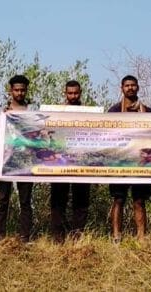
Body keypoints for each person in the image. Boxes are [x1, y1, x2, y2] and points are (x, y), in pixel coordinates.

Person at [107, 75, 151, 243]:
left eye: (133, 85)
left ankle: (141, 237)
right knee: (118, 199)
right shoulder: (113, 111)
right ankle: (116, 236)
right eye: (127, 85)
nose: (130, 88)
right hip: (120, 162)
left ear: (138, 88)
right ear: (122, 88)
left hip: (141, 163)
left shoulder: (147, 112)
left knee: (139, 201)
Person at [49, 80, 92, 242]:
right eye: (70, 93)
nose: (73, 96)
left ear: (80, 93)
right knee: (58, 200)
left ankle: (77, 236)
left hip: (82, 163)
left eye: (76, 93)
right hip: (60, 163)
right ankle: (58, 237)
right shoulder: (56, 112)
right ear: (65, 93)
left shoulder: (90, 113)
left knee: (81, 201)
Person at [0, 75, 35, 242]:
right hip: (5, 161)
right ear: (10, 91)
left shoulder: (33, 112)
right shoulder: (2, 113)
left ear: (26, 91)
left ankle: (24, 236)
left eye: (22, 90)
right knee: (3, 200)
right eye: (16, 90)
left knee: (25, 201)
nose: (19, 93)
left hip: (26, 161)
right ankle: (0, 236)